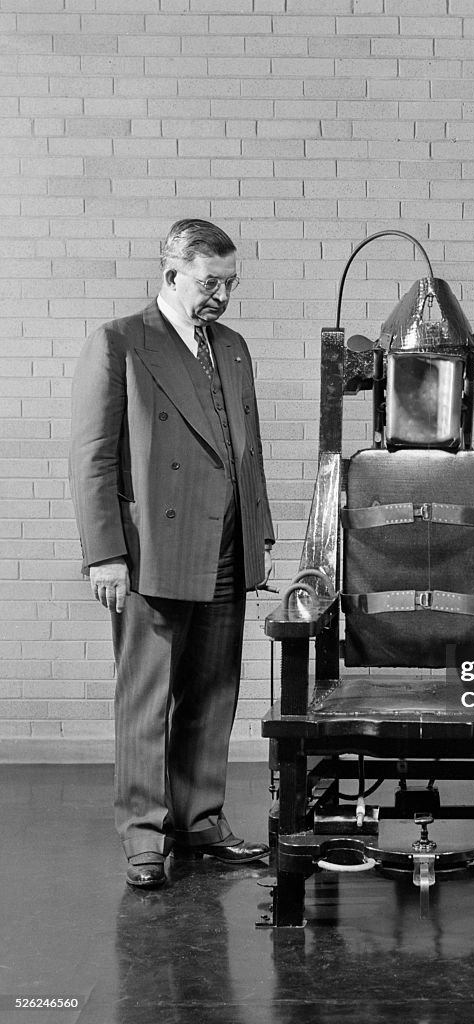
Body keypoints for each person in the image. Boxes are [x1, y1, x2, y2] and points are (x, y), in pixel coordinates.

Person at [70, 219, 275, 889]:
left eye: (229, 284)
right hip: (152, 550)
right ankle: (144, 837)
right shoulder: (121, 342)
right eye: (210, 282)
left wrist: (259, 535)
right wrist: (105, 555)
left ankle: (199, 820)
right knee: (148, 699)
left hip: (223, 543)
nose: (220, 296)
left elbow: (248, 449)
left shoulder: (234, 348)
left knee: (213, 694)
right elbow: (93, 458)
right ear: (172, 274)